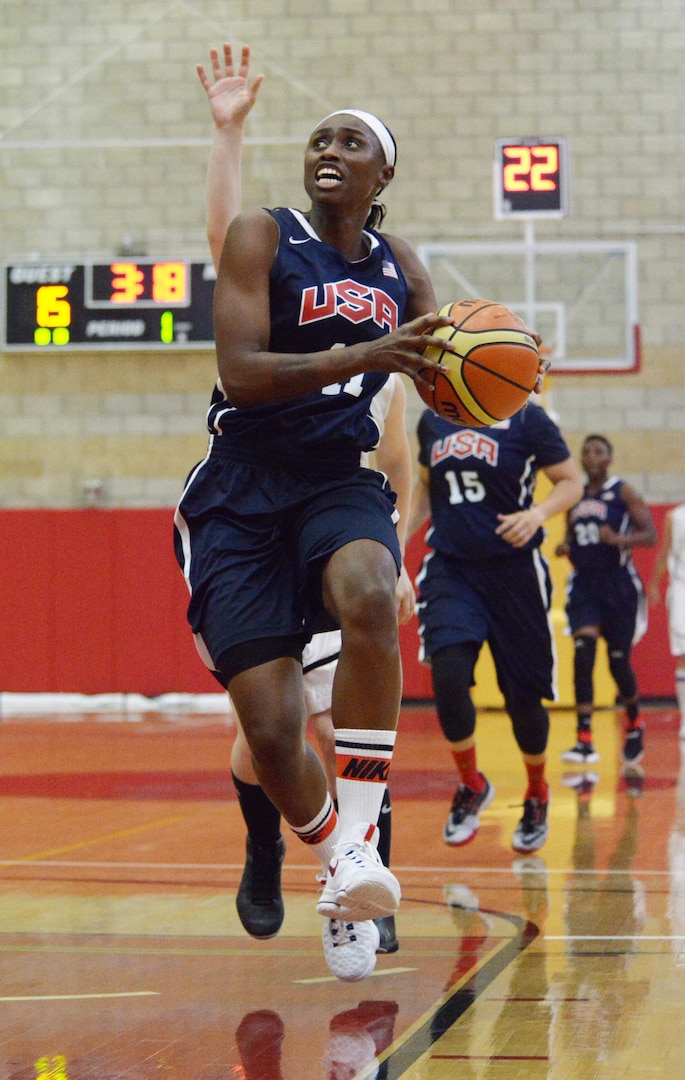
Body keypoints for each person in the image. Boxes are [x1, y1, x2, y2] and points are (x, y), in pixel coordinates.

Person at [174, 44, 469, 982]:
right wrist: (228, 130)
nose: (328, 149)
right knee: (267, 732)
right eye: (317, 138)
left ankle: (359, 858)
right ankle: (322, 852)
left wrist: (489, 376)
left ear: (384, 175)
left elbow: (421, 410)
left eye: (351, 140)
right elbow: (242, 377)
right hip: (242, 486)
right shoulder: (266, 236)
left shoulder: (400, 265)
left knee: (369, 598)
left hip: (341, 487)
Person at [408, 400, 583, 853]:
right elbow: (427, 491)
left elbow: (571, 482)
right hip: (452, 568)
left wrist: (537, 515)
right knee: (447, 676)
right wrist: (390, 542)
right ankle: (471, 785)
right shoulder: (434, 418)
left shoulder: (528, 418)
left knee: (522, 698)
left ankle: (537, 793)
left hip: (514, 571)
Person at [556, 434, 656, 768]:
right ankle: (584, 740)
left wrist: (619, 539)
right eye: (586, 451)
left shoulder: (623, 491)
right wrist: (565, 545)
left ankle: (633, 722)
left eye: (598, 451)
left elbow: (650, 534)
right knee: (582, 656)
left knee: (617, 662)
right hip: (585, 585)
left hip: (618, 585)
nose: (590, 456)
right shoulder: (576, 494)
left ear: (609, 459)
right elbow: (572, 532)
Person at [647, 501, 685, 738]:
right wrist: (653, 584)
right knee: (683, 655)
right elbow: (665, 552)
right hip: (682, 590)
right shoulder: (675, 517)